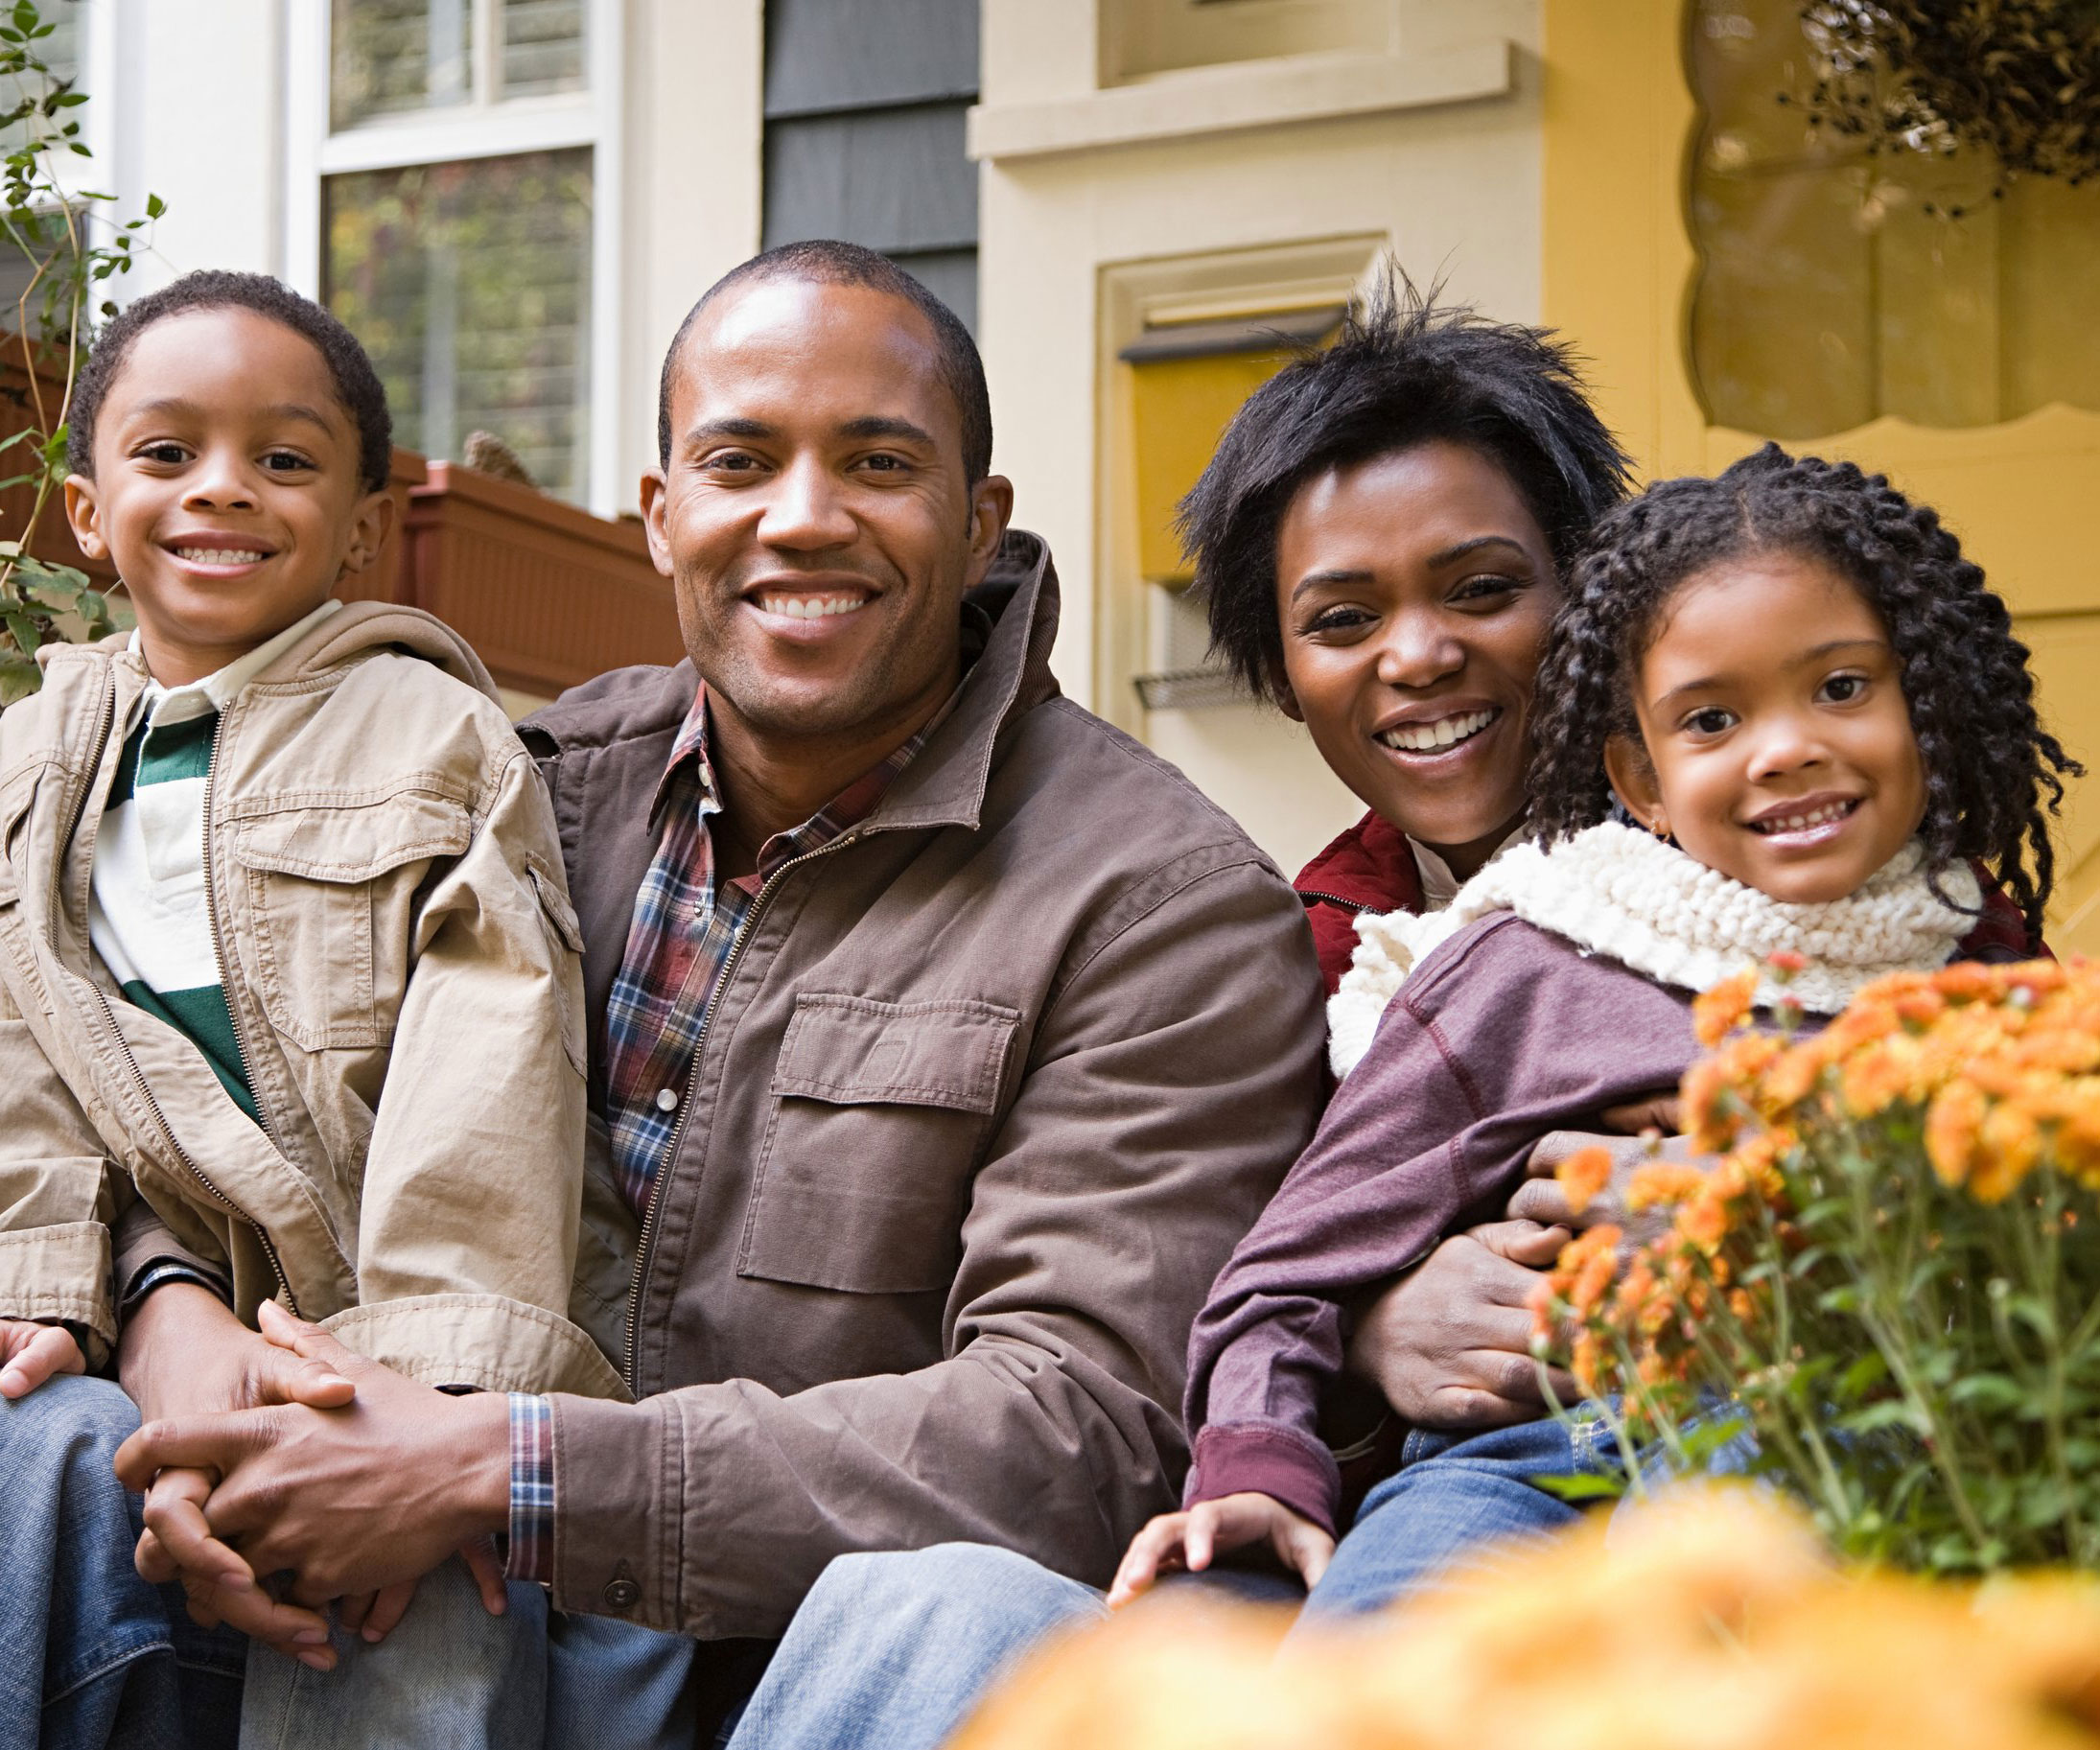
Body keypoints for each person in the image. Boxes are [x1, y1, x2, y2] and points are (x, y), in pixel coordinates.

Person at [109, 240, 1329, 1742]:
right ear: (661, 513)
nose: (802, 518)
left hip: (792, 1663)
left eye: (877, 463)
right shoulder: (517, 789)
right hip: (395, 1606)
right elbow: (203, 1069)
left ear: (976, 517)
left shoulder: (1157, 906)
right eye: (740, 460)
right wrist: (165, 1313)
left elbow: (1074, 1432)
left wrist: (505, 1465)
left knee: (967, 1607)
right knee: (44, 1456)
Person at [713, 279, 1644, 1750]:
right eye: (1343, 619)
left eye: (1480, 589)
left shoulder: (1771, 872)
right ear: (1281, 672)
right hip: (1383, 1528)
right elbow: (1224, 1311)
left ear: (1593, 593)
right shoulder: (1299, 948)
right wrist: (1370, 1335)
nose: (1416, 657)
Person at [1113, 441, 2074, 1612]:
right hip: (1512, 1462)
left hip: (1826, 1433)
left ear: (1926, 703)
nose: (1786, 748)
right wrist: (1271, 1456)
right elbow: (1292, 1263)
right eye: (1714, 718)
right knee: (1380, 1659)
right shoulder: (1532, 959)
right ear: (1641, 778)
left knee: (1718, 1607)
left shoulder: (1983, 979)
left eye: (1839, 688)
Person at [0, 270, 637, 1746]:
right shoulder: (32, 761)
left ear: (358, 527)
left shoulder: (433, 737)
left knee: (411, 1624)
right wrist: (46, 1272)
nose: (224, 489)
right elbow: (23, 1039)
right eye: (168, 455)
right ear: (89, 511)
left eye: (283, 460)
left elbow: (491, 1060)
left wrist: (411, 1382)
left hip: (389, 1322)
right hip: (163, 1297)